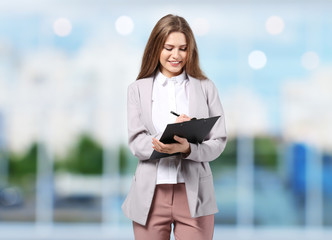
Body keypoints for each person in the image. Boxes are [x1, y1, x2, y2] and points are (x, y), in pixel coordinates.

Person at [122, 14, 227, 240]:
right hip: (150, 196)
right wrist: (165, 140)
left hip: (194, 195)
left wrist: (188, 149)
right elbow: (136, 142)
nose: (176, 55)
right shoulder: (137, 89)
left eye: (183, 48)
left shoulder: (206, 87)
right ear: (156, 47)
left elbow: (218, 142)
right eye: (169, 47)